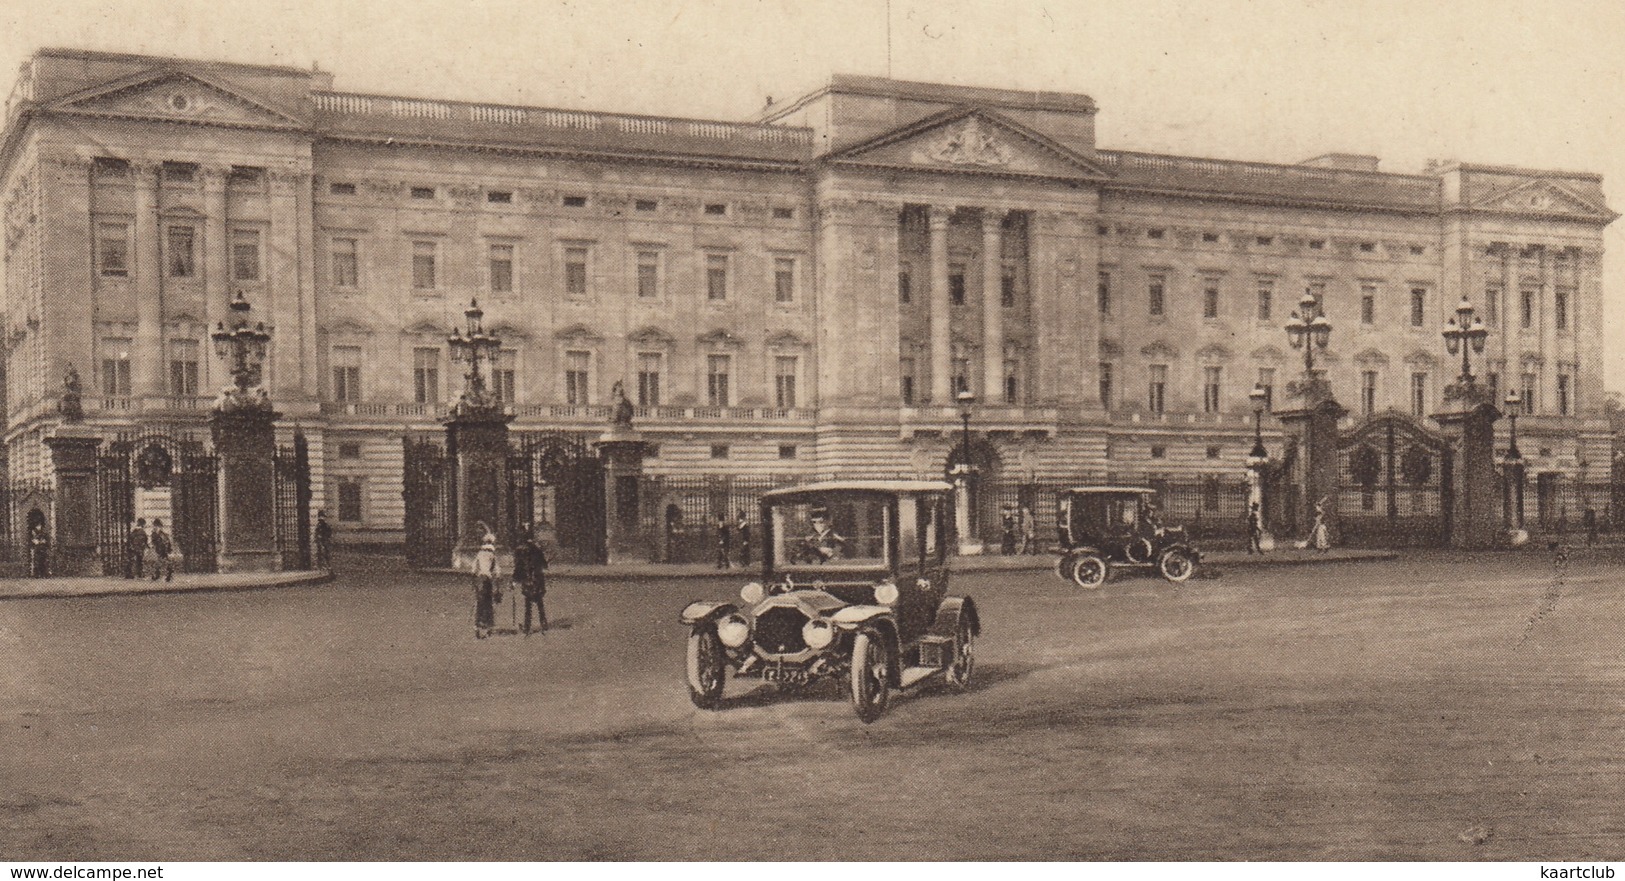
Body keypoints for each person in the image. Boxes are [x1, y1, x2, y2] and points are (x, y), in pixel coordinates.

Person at [513, 525, 549, 635]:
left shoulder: (519, 550)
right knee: (539, 602)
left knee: (528, 604)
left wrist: (514, 580)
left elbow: (518, 566)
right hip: (537, 578)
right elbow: (544, 564)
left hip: (527, 579)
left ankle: (527, 626)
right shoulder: (536, 549)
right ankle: (543, 624)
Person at [472, 533, 499, 639]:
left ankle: (477, 626)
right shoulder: (492, 555)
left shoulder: (479, 554)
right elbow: (497, 571)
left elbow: (474, 568)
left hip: (479, 579)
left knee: (479, 603)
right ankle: (488, 626)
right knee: (488, 604)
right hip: (487, 580)